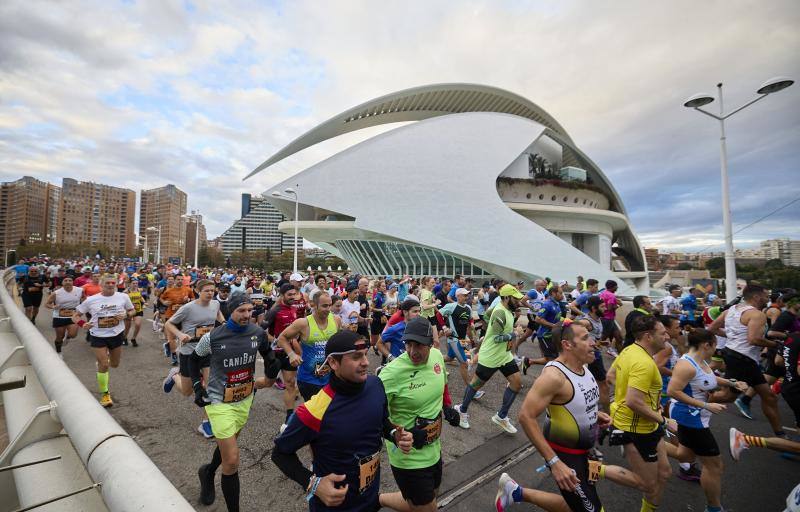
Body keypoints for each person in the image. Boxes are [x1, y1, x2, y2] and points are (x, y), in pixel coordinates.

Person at [498, 322, 644, 512]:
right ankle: (515, 492)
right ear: (567, 345)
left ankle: (515, 492)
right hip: (566, 458)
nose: (593, 342)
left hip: (586, 453)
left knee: (577, 506)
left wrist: (593, 414)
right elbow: (526, 416)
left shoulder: (583, 367)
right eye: (585, 338)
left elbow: (572, 402)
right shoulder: (554, 377)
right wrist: (554, 463)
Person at [273, 330, 413, 511]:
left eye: (365, 354)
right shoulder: (315, 410)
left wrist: (395, 434)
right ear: (333, 363)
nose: (366, 362)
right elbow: (279, 454)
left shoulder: (375, 385)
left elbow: (382, 421)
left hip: (369, 499)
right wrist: (313, 484)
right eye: (356, 357)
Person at [193, 292, 276, 512]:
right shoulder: (213, 337)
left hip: (244, 398)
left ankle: (209, 472)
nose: (247, 315)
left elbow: (268, 353)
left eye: (250, 310)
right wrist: (196, 385)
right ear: (231, 311)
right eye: (242, 310)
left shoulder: (257, 333)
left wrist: (271, 372)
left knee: (226, 448)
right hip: (218, 401)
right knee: (232, 460)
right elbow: (194, 358)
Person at [378, 316, 461, 511]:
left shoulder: (437, 357)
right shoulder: (391, 374)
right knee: (428, 508)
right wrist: (393, 435)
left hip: (433, 447)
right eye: (409, 345)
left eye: (419, 346)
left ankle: (379, 500)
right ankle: (378, 499)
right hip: (407, 456)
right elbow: (373, 415)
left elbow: (443, 386)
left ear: (431, 344)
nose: (413, 352)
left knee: (432, 496)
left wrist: (448, 407)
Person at [667, 329, 748, 512]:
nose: (716, 349)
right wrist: (706, 406)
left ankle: (648, 441)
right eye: (715, 344)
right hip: (689, 418)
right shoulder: (686, 365)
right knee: (714, 466)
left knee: (685, 455)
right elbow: (673, 391)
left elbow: (708, 378)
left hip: (696, 416)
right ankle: (714, 508)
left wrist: (732, 383)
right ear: (707, 344)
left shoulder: (700, 361)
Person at [608, 315, 675, 512]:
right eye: (663, 333)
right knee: (648, 484)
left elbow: (611, 376)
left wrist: (646, 403)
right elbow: (633, 401)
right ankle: (594, 469)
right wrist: (664, 420)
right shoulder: (644, 364)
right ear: (648, 336)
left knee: (664, 473)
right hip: (636, 428)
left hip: (649, 423)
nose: (668, 337)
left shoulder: (629, 350)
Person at [708, 284, 785, 435]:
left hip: (739, 356)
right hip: (742, 359)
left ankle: (780, 434)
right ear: (756, 297)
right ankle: (688, 401)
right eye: (766, 296)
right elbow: (754, 339)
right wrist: (776, 344)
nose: (768, 299)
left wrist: (732, 336)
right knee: (727, 396)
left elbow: (712, 328)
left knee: (769, 397)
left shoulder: (732, 309)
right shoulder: (757, 314)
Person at [455, 284, 526, 434]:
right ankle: (462, 411)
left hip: (504, 355)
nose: (519, 302)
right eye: (516, 299)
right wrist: (515, 333)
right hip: (491, 357)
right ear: (506, 298)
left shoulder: (506, 309)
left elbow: (486, 315)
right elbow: (497, 338)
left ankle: (501, 416)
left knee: (516, 383)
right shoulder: (500, 312)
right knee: (475, 385)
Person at [162, 279, 225, 438]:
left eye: (212, 290)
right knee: (186, 391)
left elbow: (217, 313)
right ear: (197, 291)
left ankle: (206, 423)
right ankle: (174, 375)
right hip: (189, 352)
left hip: (207, 350)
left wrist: (223, 323)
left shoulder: (215, 304)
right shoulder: (188, 308)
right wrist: (180, 335)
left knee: (211, 387)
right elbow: (169, 324)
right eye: (207, 291)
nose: (210, 293)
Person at [73, 274, 135, 407]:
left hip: (116, 334)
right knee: (105, 364)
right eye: (108, 283)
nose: (111, 285)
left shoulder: (123, 297)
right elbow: (75, 315)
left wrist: (126, 314)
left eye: (113, 283)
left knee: (115, 364)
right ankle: (105, 394)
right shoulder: (91, 300)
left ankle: (101, 365)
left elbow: (132, 311)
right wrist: (82, 324)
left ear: (116, 284)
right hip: (98, 336)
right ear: (101, 285)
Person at [277, 291, 342, 401]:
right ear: (314, 305)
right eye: (324, 306)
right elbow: (281, 339)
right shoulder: (303, 323)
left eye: (330, 305)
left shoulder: (336, 320)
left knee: (330, 411)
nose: (328, 309)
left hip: (330, 377)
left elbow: (337, 344)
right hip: (309, 379)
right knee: (315, 413)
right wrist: (292, 354)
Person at [262, 283, 299, 430]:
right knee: (267, 383)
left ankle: (289, 416)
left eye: (294, 294)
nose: (292, 297)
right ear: (282, 295)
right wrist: (277, 341)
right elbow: (262, 331)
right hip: (274, 353)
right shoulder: (274, 311)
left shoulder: (294, 309)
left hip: (289, 353)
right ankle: (254, 388)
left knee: (290, 383)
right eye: (289, 294)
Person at [438, 288, 477, 386]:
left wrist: (471, 323)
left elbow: (470, 318)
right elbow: (438, 314)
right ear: (458, 296)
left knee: (449, 358)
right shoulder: (451, 306)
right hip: (453, 339)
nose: (466, 297)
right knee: (464, 363)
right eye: (464, 295)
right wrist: (444, 327)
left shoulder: (468, 307)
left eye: (467, 295)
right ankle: (471, 388)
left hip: (462, 338)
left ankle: (432, 359)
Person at [44, 275, 83, 358]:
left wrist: (82, 309)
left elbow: (84, 300)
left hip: (73, 315)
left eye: (70, 280)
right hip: (59, 316)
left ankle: (68, 336)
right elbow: (47, 304)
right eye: (65, 280)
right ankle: (58, 352)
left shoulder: (79, 290)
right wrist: (53, 307)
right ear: (62, 283)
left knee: (73, 334)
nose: (68, 282)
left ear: (73, 282)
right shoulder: (56, 293)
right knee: (59, 337)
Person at [376, 298, 421, 363]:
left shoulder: (420, 327)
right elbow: (379, 344)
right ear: (405, 312)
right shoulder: (395, 329)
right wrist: (391, 357)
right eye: (415, 311)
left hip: (415, 365)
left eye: (419, 311)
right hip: (399, 366)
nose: (418, 314)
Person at [599, 280, 623, 355]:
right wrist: (618, 305)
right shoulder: (611, 296)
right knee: (603, 337)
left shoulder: (603, 293)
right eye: (616, 287)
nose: (617, 288)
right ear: (613, 287)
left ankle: (621, 357)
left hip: (606, 319)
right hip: (608, 319)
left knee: (619, 337)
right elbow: (609, 308)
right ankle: (592, 351)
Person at [123, 278, 145, 347]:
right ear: (130, 284)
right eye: (133, 283)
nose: (135, 285)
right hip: (129, 311)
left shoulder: (139, 290)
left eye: (136, 283)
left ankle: (133, 338)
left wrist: (144, 302)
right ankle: (124, 338)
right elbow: (122, 303)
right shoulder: (126, 292)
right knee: (127, 327)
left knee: (138, 324)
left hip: (138, 310)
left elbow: (140, 297)